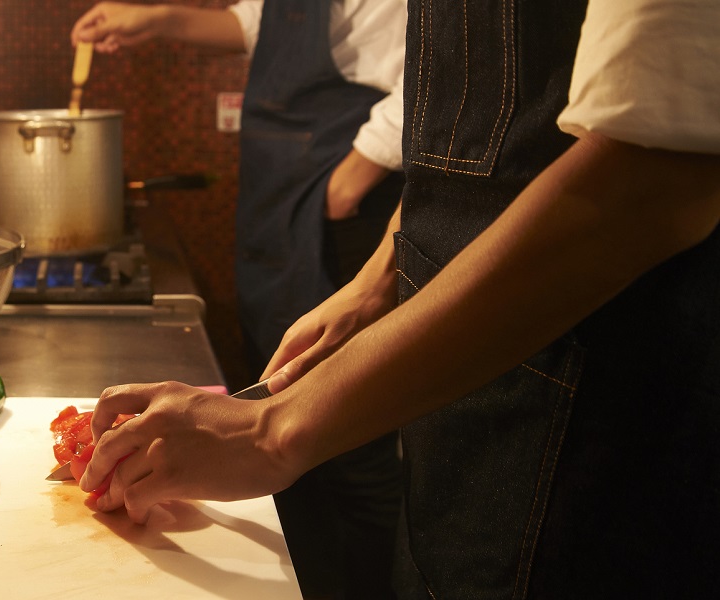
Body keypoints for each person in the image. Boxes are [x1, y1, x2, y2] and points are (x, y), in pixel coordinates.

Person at [79, 0, 720, 597]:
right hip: (455, 381)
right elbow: (464, 141)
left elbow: (655, 174)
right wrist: (380, 279)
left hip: (591, 412)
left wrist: (271, 432)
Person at [73, 2, 406, 597]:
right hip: (280, 217)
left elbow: (434, 72)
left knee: (350, 450)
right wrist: (154, 20)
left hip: (340, 222)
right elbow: (265, 21)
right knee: (284, 403)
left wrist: (355, 175)